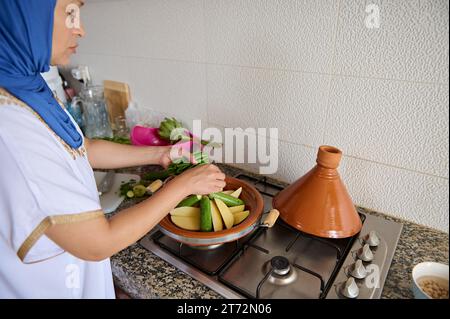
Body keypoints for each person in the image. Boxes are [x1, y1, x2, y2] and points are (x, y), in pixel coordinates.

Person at [0, 0, 226, 298]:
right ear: (25, 16)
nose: (80, 28)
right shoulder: (11, 128)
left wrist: (159, 154)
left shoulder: (24, 85)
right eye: (70, 12)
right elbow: (98, 242)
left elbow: (83, 148)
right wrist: (182, 186)